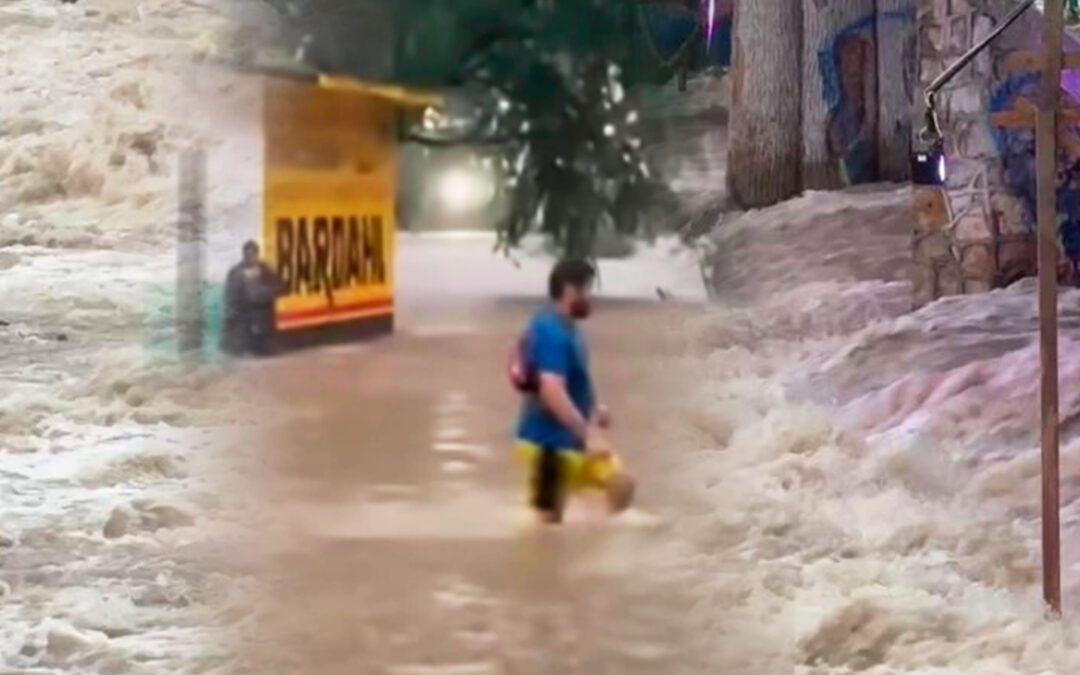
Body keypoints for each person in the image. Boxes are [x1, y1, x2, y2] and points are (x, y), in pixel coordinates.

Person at [515, 259, 636, 524]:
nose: (593, 298)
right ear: (571, 290)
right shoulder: (550, 332)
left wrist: (593, 411)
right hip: (546, 444)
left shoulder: (571, 330)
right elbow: (551, 390)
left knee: (622, 487)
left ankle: (594, 543)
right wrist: (589, 434)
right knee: (547, 527)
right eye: (589, 290)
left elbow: (571, 385)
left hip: (572, 439)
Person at [222, 241, 284, 356]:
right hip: (244, 311)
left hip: (263, 310)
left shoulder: (265, 269)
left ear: (257, 254)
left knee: (264, 343)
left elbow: (278, 287)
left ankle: (263, 349)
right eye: (248, 255)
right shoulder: (236, 272)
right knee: (242, 341)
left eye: (253, 254)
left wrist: (263, 294)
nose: (251, 258)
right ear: (244, 255)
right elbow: (230, 294)